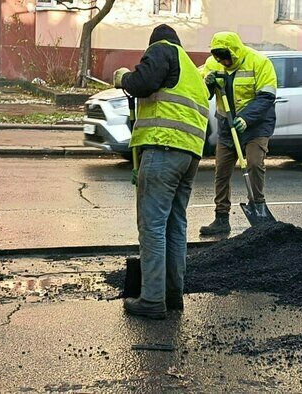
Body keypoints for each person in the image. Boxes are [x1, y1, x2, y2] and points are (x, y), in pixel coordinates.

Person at [112, 24, 209, 319]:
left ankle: (153, 300)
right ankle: (172, 294)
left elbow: (143, 82)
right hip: (189, 155)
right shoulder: (192, 70)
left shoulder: (162, 50)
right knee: (175, 225)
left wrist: (123, 79)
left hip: (163, 149)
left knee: (153, 226)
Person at [199, 32, 277, 235]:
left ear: (234, 52)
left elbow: (267, 97)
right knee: (222, 170)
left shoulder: (259, 62)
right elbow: (202, 94)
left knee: (253, 163)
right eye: (218, 58)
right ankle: (221, 218)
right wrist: (207, 84)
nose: (223, 62)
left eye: (226, 57)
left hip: (255, 125)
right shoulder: (213, 64)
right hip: (226, 125)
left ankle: (258, 206)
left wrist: (246, 118)